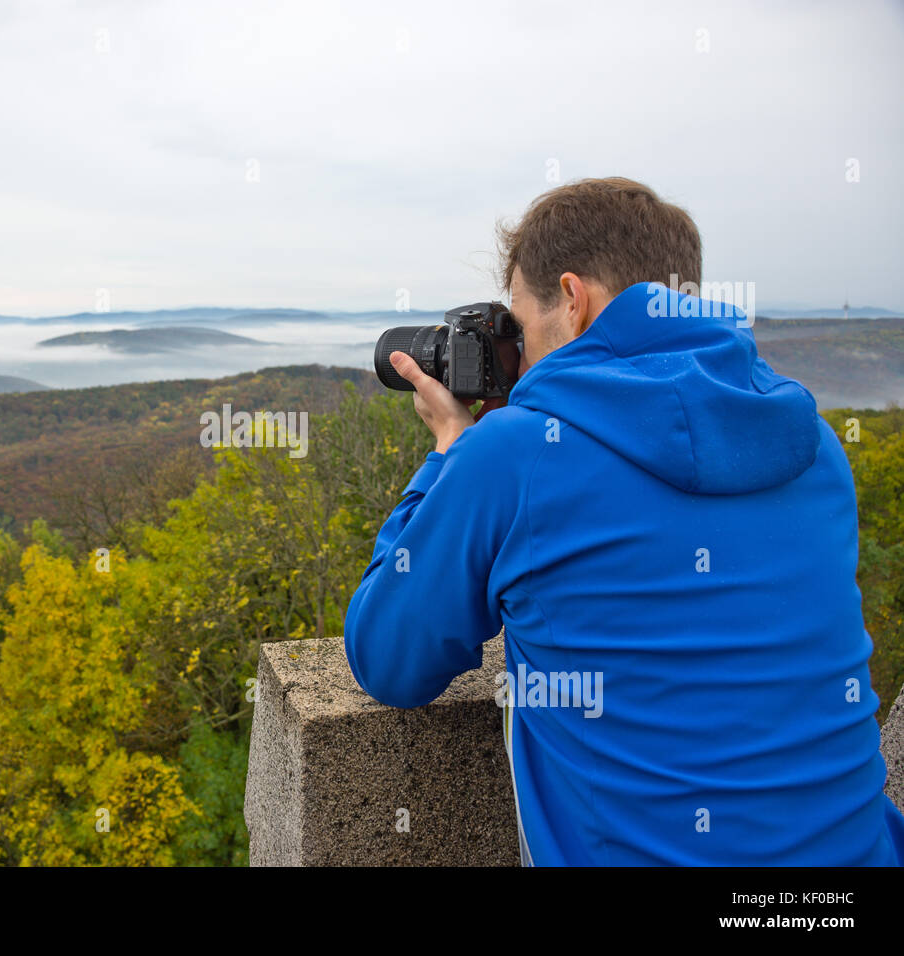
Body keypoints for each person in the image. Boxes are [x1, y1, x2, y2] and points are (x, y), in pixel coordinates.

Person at [343, 176, 904, 865]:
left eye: (520, 326)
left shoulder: (515, 455)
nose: (517, 359)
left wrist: (450, 454)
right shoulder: (813, 443)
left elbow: (388, 659)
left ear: (573, 301)